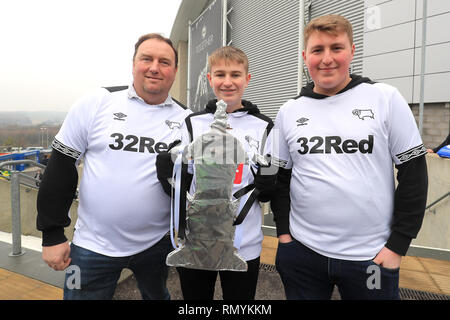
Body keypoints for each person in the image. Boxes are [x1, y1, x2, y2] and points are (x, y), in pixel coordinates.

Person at [271, 14, 428, 300]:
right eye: (317, 50)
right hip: (303, 254)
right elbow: (279, 178)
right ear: (305, 56)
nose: (327, 58)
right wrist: (284, 237)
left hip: (371, 258)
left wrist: (397, 246)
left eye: (336, 48)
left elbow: (414, 173)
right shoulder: (289, 111)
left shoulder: (385, 98)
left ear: (352, 51)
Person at [36, 33, 191, 300]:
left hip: (158, 243)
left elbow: (193, 186)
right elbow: (61, 166)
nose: (154, 67)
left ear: (175, 71)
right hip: (90, 246)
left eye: (164, 62)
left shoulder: (189, 121)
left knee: (158, 295)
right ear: (134, 64)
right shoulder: (96, 102)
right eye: (147, 59)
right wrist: (52, 234)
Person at [156, 46, 276, 300]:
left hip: (244, 243)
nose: (228, 82)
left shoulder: (265, 125)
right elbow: (182, 177)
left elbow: (273, 168)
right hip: (197, 238)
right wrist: (168, 171)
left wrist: (271, 179)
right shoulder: (192, 122)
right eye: (220, 74)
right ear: (209, 79)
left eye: (235, 75)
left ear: (247, 79)